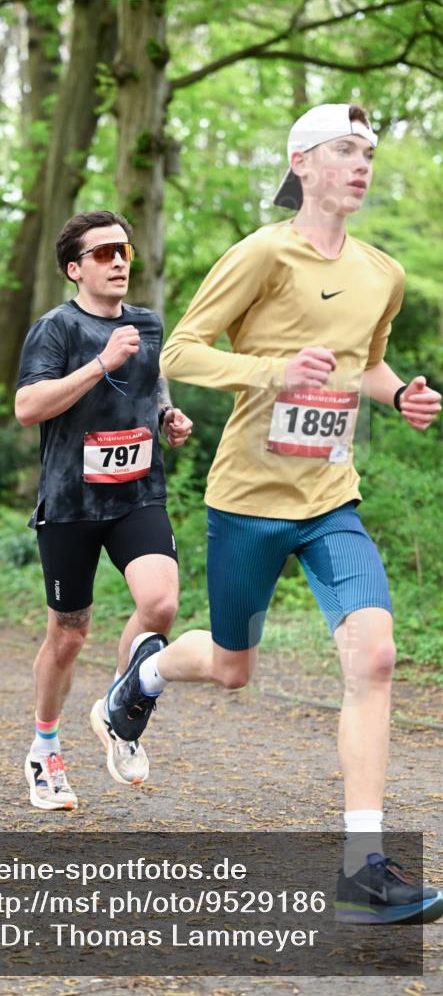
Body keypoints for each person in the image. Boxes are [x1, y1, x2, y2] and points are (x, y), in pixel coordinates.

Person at [101, 105, 443, 924]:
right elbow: (180, 350)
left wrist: (395, 393)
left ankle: (362, 868)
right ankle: (139, 680)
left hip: (329, 498)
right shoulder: (261, 252)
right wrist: (272, 372)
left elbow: (363, 362)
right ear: (302, 162)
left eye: (366, 152)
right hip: (248, 501)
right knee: (230, 668)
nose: (360, 164)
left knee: (374, 657)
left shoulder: (381, 271)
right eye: (343, 151)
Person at [15, 210, 192, 811]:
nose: (119, 260)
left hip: (136, 494)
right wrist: (99, 365)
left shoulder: (147, 323)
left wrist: (167, 415)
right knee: (69, 635)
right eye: (103, 253)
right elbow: (27, 407)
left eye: (124, 250)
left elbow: (153, 384)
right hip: (71, 502)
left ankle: (120, 716)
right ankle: (45, 749)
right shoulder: (56, 329)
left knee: (160, 603)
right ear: (75, 269)